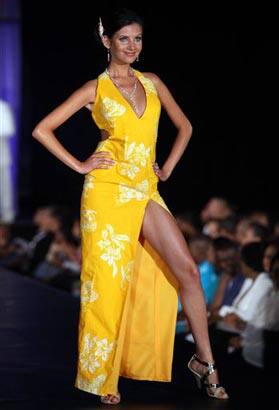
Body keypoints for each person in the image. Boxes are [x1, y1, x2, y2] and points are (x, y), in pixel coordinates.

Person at [32, 9, 228, 404]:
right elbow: (42, 129)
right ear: (107, 42)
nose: (133, 46)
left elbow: (185, 126)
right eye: (124, 39)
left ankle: (204, 363)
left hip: (145, 187)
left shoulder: (152, 82)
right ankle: (103, 377)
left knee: (187, 270)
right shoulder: (95, 89)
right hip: (106, 189)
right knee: (108, 282)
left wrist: (167, 168)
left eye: (138, 39)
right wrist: (81, 164)